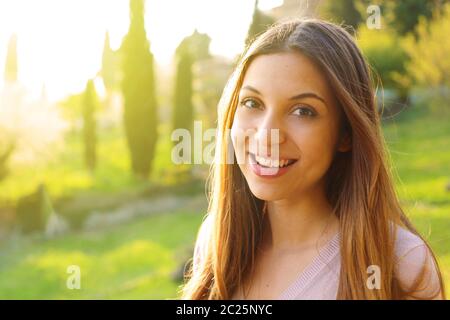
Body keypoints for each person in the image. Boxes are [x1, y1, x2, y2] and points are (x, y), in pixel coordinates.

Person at [180, 18, 445, 300]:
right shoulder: (216, 241)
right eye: (252, 103)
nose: (267, 134)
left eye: (303, 111)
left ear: (345, 134)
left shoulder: (400, 263)